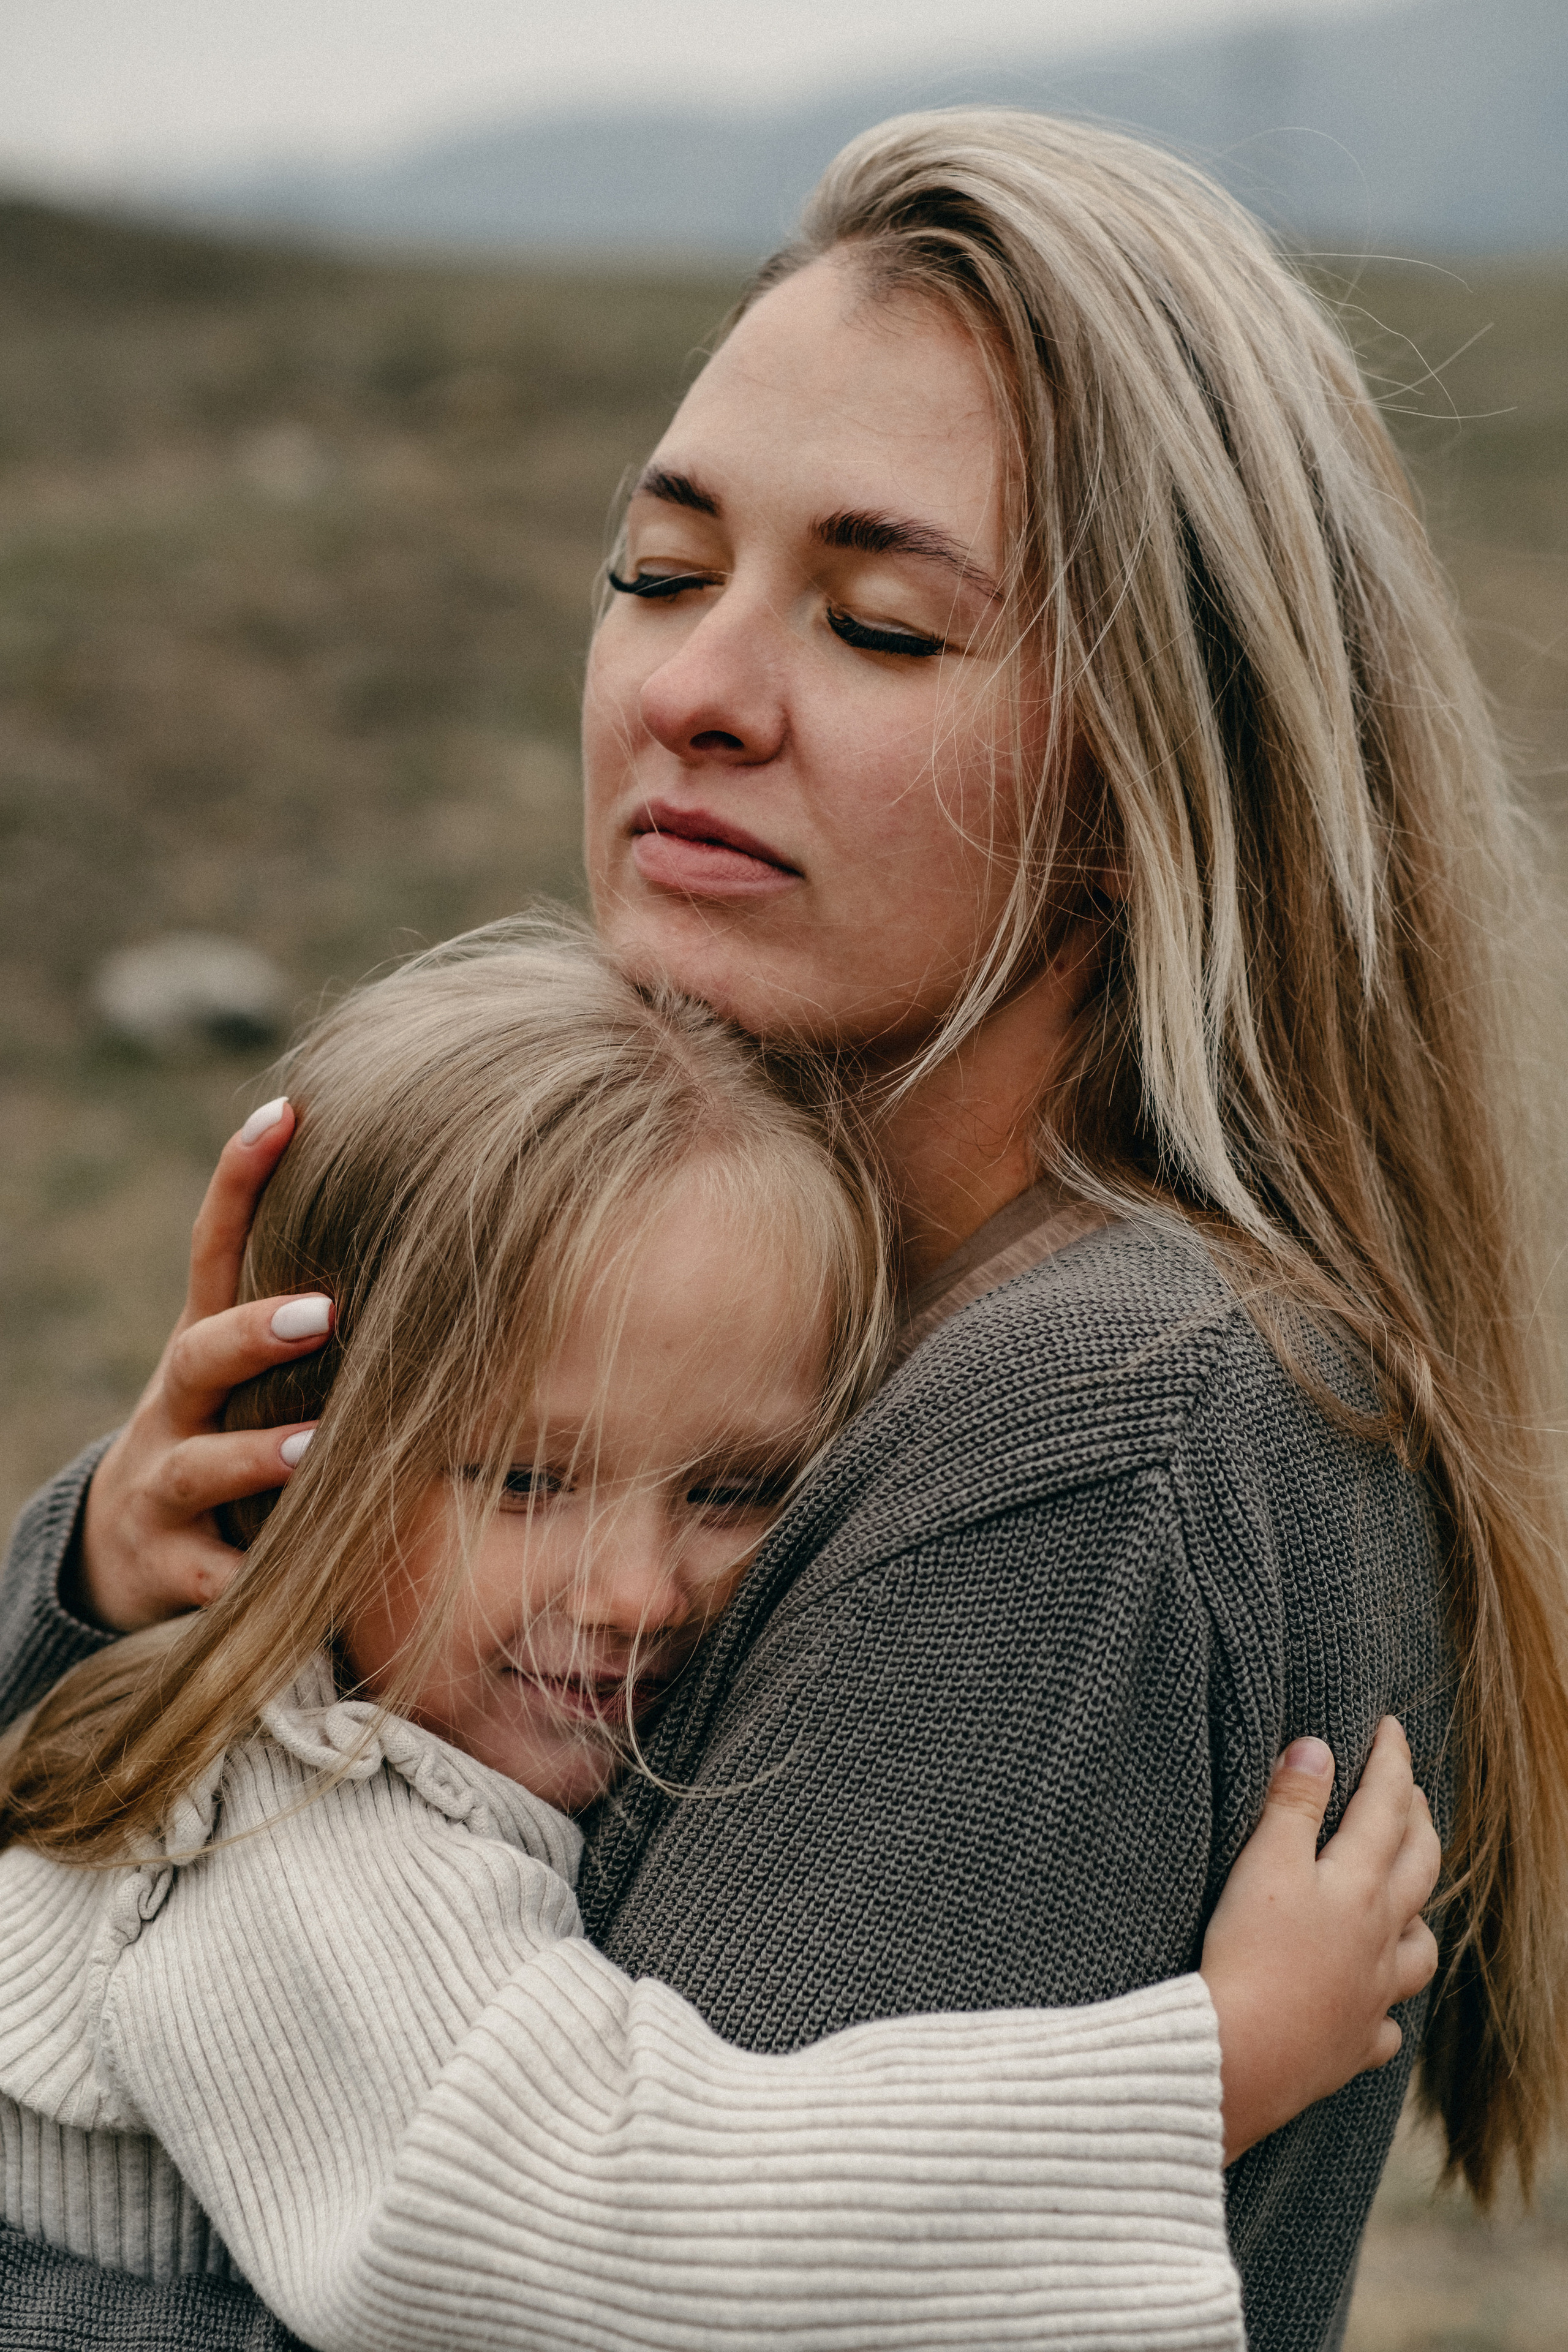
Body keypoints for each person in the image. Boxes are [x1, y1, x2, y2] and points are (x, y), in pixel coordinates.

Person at [3, 109, 1566, 2351]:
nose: (692, 692)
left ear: (1147, 786)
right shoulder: (746, 1302)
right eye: (656, 572)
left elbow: (614, 2247)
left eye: (878, 620)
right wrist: (115, 1575)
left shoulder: (1101, 1424)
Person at [0, 922, 1439, 2352]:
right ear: (291, 1446)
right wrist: (1214, 2068)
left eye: (733, 1490)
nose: (635, 1592)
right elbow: (612, 2227)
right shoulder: (282, 1846)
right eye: (524, 1480)